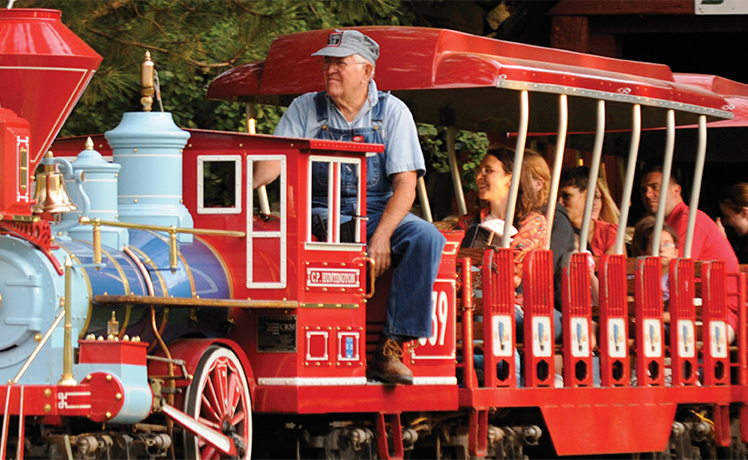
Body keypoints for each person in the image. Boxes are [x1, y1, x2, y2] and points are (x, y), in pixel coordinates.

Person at [254, 29, 447, 384]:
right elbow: (270, 166)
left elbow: (406, 186)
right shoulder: (305, 108)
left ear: (367, 72)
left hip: (374, 213)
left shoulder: (393, 112)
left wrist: (383, 235)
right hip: (318, 212)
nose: (330, 70)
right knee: (334, 230)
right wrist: (244, 185)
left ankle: (391, 345)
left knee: (428, 238)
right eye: (327, 63)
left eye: (340, 63)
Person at [455, 148, 553, 336]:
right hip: (469, 302)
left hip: (519, 305)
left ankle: (493, 357)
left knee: (482, 282)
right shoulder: (468, 222)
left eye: (488, 171)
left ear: (510, 178)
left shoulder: (533, 223)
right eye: (479, 171)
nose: (479, 177)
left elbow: (512, 274)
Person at [640, 166, 738, 342]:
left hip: (715, 315)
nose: (647, 194)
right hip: (689, 311)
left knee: (638, 330)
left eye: (655, 187)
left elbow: (672, 270)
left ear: (676, 190)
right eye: (643, 189)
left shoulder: (689, 221)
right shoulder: (669, 224)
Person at [559, 167, 617, 256]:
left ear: (586, 196)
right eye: (557, 198)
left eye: (567, 196)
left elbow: (613, 267)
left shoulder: (608, 233)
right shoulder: (555, 232)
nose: (560, 202)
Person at [631, 216, 679, 305]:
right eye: (655, 246)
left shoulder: (678, 277)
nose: (662, 250)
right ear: (643, 252)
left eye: (667, 245)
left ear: (676, 252)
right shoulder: (633, 276)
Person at [717, 183, 748, 263]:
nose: (725, 222)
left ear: (745, 213)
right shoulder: (740, 241)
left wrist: (722, 242)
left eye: (728, 216)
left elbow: (736, 269)